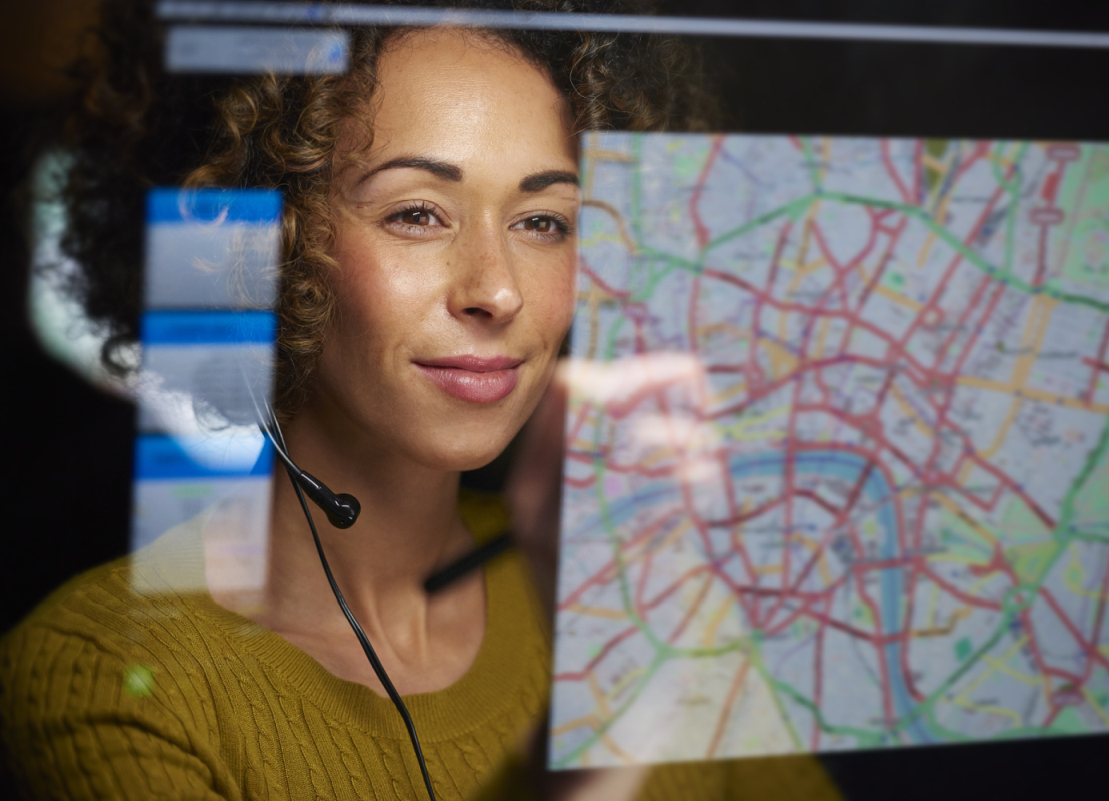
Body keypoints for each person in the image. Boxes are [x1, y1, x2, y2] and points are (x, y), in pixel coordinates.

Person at [0, 1, 843, 799]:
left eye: (544, 221)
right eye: (416, 213)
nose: (495, 291)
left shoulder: (644, 599)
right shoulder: (105, 674)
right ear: (259, 247)